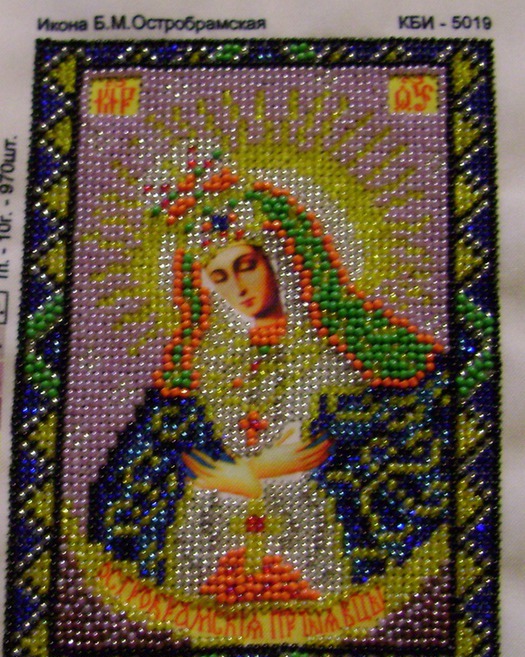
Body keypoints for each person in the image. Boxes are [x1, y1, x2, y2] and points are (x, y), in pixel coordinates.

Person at [89, 149, 444, 603]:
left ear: (281, 258)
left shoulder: (349, 359)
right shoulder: (199, 375)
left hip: (327, 571)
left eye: (247, 265)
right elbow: (131, 487)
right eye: (220, 276)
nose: (239, 288)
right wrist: (252, 472)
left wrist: (274, 474)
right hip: (209, 572)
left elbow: (409, 456)